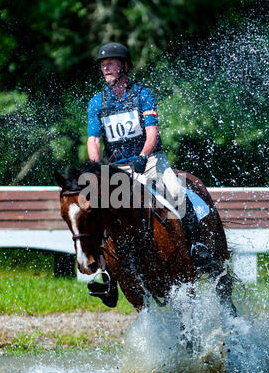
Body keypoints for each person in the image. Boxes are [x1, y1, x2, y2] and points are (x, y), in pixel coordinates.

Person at [87, 42, 214, 271]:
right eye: (103, 65)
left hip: (150, 160)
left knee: (176, 191)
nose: (105, 69)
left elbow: (152, 133)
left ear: (124, 66)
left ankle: (197, 245)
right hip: (117, 166)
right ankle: (103, 268)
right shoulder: (96, 102)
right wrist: (96, 169)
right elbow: (93, 141)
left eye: (111, 64)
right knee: (93, 205)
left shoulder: (142, 94)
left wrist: (143, 157)